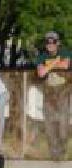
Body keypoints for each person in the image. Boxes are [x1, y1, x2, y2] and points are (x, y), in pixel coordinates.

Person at [36, 31, 71, 161]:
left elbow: (65, 65)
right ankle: (54, 153)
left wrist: (48, 66)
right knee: (49, 126)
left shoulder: (65, 53)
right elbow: (41, 73)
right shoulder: (41, 56)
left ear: (58, 43)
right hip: (49, 93)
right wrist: (55, 63)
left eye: (53, 42)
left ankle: (62, 149)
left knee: (63, 125)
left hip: (63, 92)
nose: (50, 44)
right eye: (48, 42)